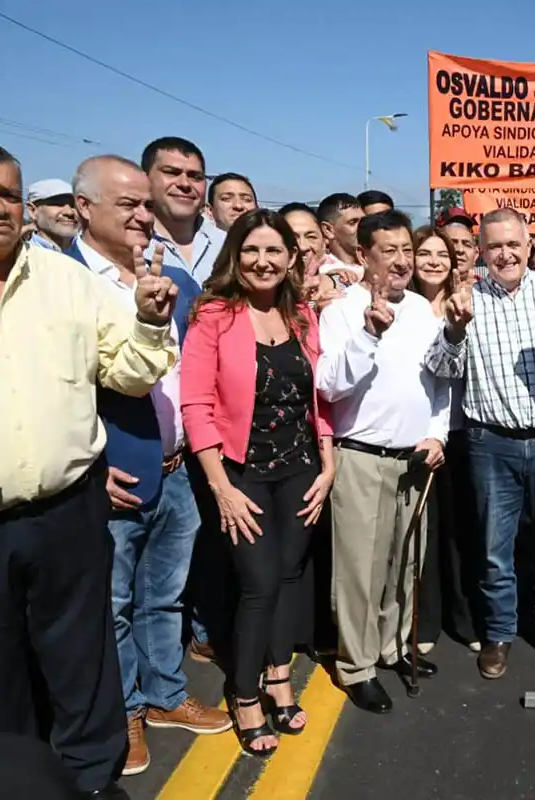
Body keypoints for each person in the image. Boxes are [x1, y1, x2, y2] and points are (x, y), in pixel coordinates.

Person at [0, 137, 178, 799]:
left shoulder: (63, 281)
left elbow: (125, 374)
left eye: (8, 193)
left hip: (68, 511)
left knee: (83, 670)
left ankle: (93, 784)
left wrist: (151, 324)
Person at [65, 155, 227, 776]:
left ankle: (165, 695)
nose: (143, 215)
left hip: (178, 466)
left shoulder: (173, 277)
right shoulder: (61, 278)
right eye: (127, 205)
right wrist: (86, 462)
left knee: (165, 597)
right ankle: (125, 708)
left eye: (145, 206)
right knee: (113, 602)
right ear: (83, 207)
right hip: (114, 475)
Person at [180, 208, 335, 756]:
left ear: (291, 259)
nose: (263, 261)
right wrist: (221, 487)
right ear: (235, 256)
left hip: (300, 469)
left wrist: (329, 460)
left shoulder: (302, 316)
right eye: (251, 250)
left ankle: (279, 679)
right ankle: (245, 694)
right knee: (259, 584)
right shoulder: (214, 316)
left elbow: (318, 398)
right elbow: (195, 406)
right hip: (241, 473)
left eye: (274, 251)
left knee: (289, 577)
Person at [424, 207, 535, 680]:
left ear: (528, 246)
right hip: (490, 442)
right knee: (494, 548)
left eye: (512, 244)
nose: (505, 254)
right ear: (481, 252)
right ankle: (499, 633)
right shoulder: (465, 300)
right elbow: (441, 369)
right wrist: (455, 330)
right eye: (494, 246)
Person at [316, 212, 449, 714]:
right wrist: (369, 334)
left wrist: (437, 433)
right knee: (360, 570)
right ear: (363, 256)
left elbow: (439, 382)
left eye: (405, 251)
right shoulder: (343, 312)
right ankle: (357, 664)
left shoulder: (420, 309)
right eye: (387, 250)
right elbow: (329, 384)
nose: (400, 261)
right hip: (362, 457)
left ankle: (395, 648)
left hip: (416, 458)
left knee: (405, 562)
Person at [410, 225, 480, 653]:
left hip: (467, 429)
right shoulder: (403, 305)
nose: (434, 260)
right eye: (425, 252)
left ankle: (466, 618)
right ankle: (427, 621)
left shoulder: (472, 301)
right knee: (425, 531)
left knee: (464, 530)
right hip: (420, 434)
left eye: (442, 254)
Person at [141, 137, 225, 286]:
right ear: (145, 178)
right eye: (172, 173)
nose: (184, 184)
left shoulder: (227, 245)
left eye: (195, 176)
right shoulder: (127, 245)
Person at [25, 178, 79, 251]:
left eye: (74, 205)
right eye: (58, 203)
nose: (69, 212)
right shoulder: (20, 258)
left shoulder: (91, 257)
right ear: (33, 211)